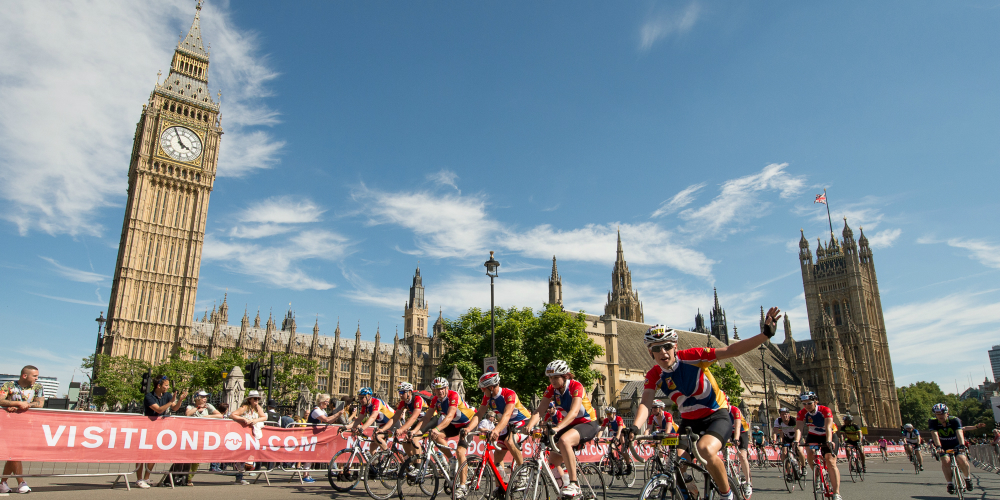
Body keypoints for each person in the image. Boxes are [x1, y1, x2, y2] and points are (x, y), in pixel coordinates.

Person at [627, 309, 782, 500]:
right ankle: (694, 495)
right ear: (650, 352)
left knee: (706, 449)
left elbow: (731, 350)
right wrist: (634, 427)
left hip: (716, 416)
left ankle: (727, 495)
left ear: (675, 346)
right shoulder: (654, 375)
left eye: (667, 346)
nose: (663, 352)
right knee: (678, 466)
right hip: (689, 421)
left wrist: (765, 335)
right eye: (656, 348)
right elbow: (645, 403)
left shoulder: (693, 357)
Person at [523, 360, 599, 498]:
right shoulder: (551, 389)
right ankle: (564, 489)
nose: (552, 380)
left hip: (587, 423)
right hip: (569, 425)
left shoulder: (576, 386)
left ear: (565, 376)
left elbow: (574, 412)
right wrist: (529, 425)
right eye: (550, 378)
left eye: (555, 377)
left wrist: (557, 427)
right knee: (552, 461)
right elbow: (540, 410)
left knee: (564, 440)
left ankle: (574, 483)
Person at [413, 377, 476, 497]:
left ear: (447, 388)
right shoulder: (436, 400)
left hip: (468, 423)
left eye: (442, 388)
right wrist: (417, 432)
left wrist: (437, 429)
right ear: (434, 391)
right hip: (454, 425)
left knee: (460, 452)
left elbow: (450, 415)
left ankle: (463, 486)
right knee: (435, 436)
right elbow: (426, 418)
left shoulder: (453, 395)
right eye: (437, 389)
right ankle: (451, 460)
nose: (440, 391)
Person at [465, 372, 532, 474]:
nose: (482, 390)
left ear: (491, 387)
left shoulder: (509, 394)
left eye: (483, 388)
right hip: (508, 424)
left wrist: (496, 430)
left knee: (509, 441)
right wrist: (468, 429)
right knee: (498, 453)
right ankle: (500, 485)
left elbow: (507, 414)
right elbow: (479, 414)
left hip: (522, 422)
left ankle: (523, 472)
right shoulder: (487, 397)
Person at [133, 375, 186, 489]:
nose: (167, 387)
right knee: (142, 454)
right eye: (166, 385)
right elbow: (159, 409)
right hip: (146, 427)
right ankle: (139, 479)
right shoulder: (149, 396)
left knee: (153, 454)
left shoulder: (167, 395)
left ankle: (146, 478)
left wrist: (179, 400)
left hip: (158, 428)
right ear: (159, 386)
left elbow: (174, 408)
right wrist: (170, 401)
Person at [0, 365, 45, 494]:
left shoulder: (38, 387)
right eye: (34, 376)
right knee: (14, 452)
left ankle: (3, 483)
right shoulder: (8, 385)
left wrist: (26, 405)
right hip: (9, 424)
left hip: (27, 424)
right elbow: (1, 399)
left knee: (14, 454)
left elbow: (40, 403)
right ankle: (21, 482)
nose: (36, 378)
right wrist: (16, 403)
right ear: (25, 376)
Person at [795, 392, 842, 500]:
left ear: (816, 402)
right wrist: (796, 441)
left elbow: (828, 427)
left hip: (828, 435)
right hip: (813, 436)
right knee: (810, 453)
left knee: (830, 461)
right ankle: (817, 474)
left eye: (809, 403)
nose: (806, 406)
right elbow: (799, 428)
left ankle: (836, 493)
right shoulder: (802, 413)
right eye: (804, 403)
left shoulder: (825, 410)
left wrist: (829, 441)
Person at [928, 403, 972, 494]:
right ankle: (950, 483)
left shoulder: (955, 420)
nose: (940, 416)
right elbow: (934, 434)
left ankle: (967, 479)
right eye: (937, 414)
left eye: (942, 413)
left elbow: (959, 432)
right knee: (945, 460)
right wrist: (938, 446)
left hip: (956, 444)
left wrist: (962, 445)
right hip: (943, 445)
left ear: (947, 413)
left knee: (961, 459)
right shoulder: (932, 421)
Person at [230, 390, 267, 485]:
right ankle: (239, 477)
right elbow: (232, 414)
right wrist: (243, 419)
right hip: (243, 433)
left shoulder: (257, 408)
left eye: (258, 399)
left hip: (252, 434)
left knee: (248, 454)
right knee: (242, 455)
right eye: (255, 399)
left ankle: (242, 475)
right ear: (250, 399)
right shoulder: (245, 408)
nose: (257, 400)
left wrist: (256, 420)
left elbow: (264, 417)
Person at [392, 382, 426, 468]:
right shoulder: (404, 402)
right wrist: (383, 429)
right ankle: (413, 463)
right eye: (399, 392)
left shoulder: (417, 399)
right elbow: (394, 417)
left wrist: (401, 429)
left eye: (402, 392)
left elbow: (414, 417)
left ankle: (418, 468)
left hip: (430, 419)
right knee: (405, 441)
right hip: (420, 421)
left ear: (409, 392)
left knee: (414, 439)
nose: (400, 395)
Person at [352, 387, 396, 452]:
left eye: (362, 398)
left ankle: (388, 454)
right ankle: (377, 462)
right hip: (383, 426)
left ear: (368, 396)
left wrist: (362, 428)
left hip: (393, 423)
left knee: (377, 437)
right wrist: (346, 427)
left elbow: (373, 417)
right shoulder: (365, 406)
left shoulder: (377, 401)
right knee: (372, 447)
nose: (360, 400)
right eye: (359, 398)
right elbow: (359, 420)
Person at [774, 407, 806, 477]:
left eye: (786, 414)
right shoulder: (778, 421)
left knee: (799, 451)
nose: (784, 416)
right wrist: (774, 441)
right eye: (782, 414)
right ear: (780, 415)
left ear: (789, 414)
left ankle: (803, 467)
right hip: (787, 438)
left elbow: (798, 431)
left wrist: (796, 440)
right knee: (784, 453)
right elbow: (776, 432)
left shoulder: (794, 420)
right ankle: (788, 473)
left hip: (796, 437)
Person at [729, 404, 752, 497]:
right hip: (729, 432)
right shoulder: (718, 411)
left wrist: (736, 438)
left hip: (742, 432)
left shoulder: (734, 410)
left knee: (742, 456)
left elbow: (738, 427)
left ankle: (748, 483)